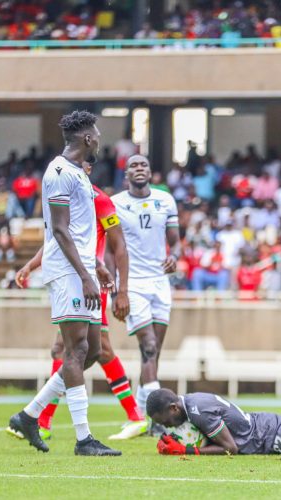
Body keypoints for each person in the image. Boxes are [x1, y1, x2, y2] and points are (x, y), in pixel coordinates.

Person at [7, 110, 121, 456]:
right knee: (75, 351)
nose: (99, 139)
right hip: (68, 273)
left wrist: (96, 265)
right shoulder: (59, 173)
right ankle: (84, 439)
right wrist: (85, 274)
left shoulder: (79, 176)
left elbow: (82, 232)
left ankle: (29, 415)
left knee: (92, 351)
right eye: (97, 134)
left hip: (82, 269)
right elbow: (60, 230)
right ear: (86, 138)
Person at [8, 184, 146, 441]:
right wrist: (30, 265)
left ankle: (41, 418)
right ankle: (41, 419)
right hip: (74, 280)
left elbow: (119, 245)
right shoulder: (68, 196)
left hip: (91, 283)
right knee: (76, 351)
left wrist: (122, 291)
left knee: (86, 350)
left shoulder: (100, 200)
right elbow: (58, 239)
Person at [112, 154, 181, 420]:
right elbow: (111, 249)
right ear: (126, 174)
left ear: (151, 172)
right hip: (133, 283)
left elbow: (174, 241)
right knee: (149, 346)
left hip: (160, 283)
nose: (139, 168)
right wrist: (117, 290)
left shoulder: (165, 200)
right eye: (134, 165)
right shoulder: (116, 204)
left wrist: (174, 255)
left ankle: (140, 414)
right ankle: (158, 419)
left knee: (153, 352)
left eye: (144, 165)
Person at [147, 388, 281, 456]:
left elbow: (231, 448)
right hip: (259, 428)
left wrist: (185, 450)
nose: (167, 426)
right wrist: (169, 440)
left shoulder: (199, 411)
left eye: (165, 421)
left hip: (267, 434)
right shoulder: (189, 404)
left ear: (173, 408)